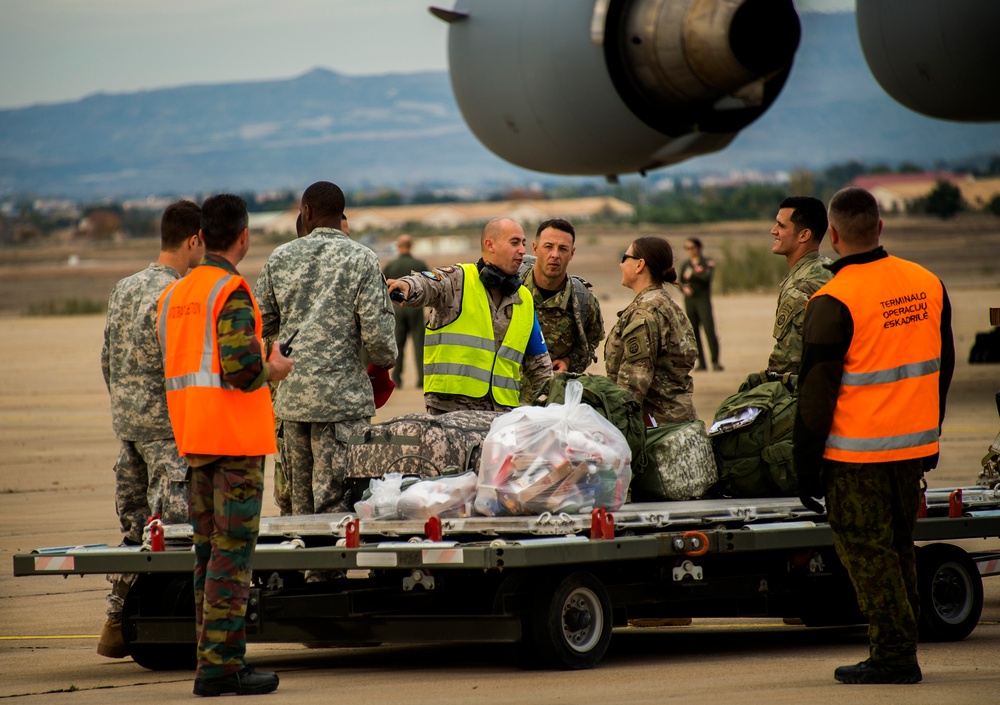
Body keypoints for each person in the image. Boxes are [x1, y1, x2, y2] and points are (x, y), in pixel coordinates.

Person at [794, 187, 955, 685]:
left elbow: (815, 395)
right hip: (914, 446)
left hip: (856, 455)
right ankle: (902, 641)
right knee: (898, 545)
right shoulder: (927, 282)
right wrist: (930, 434)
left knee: (868, 553)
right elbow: (943, 365)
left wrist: (805, 464)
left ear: (834, 236)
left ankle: (894, 656)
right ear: (880, 227)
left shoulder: (833, 299)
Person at [157, 193, 293, 697]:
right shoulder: (230, 290)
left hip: (195, 439)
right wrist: (272, 369)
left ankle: (213, 661)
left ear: (201, 235)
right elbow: (239, 368)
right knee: (231, 560)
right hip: (234, 443)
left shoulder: (175, 294)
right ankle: (220, 669)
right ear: (243, 236)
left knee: (206, 557)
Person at [97, 200, 204, 659]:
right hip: (167, 431)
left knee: (135, 532)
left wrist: (126, 406)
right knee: (172, 534)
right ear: (194, 241)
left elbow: (107, 357)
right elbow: (179, 361)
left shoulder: (125, 288)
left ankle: (116, 622)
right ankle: (166, 625)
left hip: (129, 428)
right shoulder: (176, 294)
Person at [254, 181, 396, 517]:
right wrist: (383, 358)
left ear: (306, 213)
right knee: (338, 505)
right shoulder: (362, 258)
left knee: (299, 507)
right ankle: (327, 571)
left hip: (292, 402)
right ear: (340, 213)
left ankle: (307, 566)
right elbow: (380, 342)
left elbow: (259, 323)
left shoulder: (281, 257)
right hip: (341, 404)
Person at [386, 218, 552, 414]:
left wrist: (554, 409)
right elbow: (427, 283)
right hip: (451, 413)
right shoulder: (458, 280)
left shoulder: (524, 298)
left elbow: (541, 369)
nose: (523, 250)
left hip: (502, 415)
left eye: (523, 243)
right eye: (514, 242)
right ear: (490, 245)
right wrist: (407, 286)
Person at [605, 237, 698, 426]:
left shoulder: (644, 314)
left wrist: (612, 430)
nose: (621, 264)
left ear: (640, 265)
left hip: (655, 430)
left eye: (625, 257)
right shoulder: (668, 305)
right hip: (679, 423)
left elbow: (632, 385)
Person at [518, 218, 604, 382]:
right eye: (548, 247)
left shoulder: (583, 301)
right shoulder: (511, 290)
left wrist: (569, 362)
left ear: (572, 253)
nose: (555, 255)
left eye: (563, 249)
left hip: (553, 401)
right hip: (506, 399)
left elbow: (591, 342)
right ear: (535, 249)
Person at [766, 196, 833, 376]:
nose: (773, 231)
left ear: (804, 235)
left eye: (781, 226)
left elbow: (787, 362)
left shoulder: (800, 286)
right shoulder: (829, 268)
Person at [382, 234, 429, 388]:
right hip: (415, 309)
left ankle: (397, 379)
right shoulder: (419, 264)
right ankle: (422, 379)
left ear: (398, 247)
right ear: (411, 246)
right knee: (418, 344)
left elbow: (383, 285)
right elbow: (429, 285)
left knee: (398, 344)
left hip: (397, 309)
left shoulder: (391, 265)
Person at [679, 237, 722, 371]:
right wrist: (684, 288)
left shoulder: (706, 263)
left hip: (703, 300)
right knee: (694, 332)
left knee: (709, 330)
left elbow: (706, 278)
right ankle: (701, 363)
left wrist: (693, 275)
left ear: (698, 248)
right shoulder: (686, 265)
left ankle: (715, 361)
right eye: (687, 248)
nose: (690, 251)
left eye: (691, 248)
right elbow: (681, 282)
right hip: (690, 301)